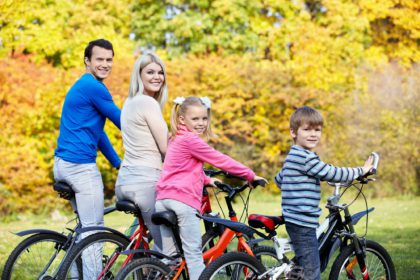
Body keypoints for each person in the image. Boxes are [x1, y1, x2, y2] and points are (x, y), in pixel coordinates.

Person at [155, 96, 267, 280]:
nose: (201, 123)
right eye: (195, 119)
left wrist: (207, 180)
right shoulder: (191, 140)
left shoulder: (175, 138)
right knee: (193, 255)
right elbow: (220, 160)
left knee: (171, 259)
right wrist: (250, 175)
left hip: (162, 201)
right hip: (182, 202)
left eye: (204, 118)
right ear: (182, 119)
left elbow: (182, 168)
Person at [274, 106, 373, 280]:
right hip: (303, 222)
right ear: (293, 132)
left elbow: (279, 179)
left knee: (303, 263)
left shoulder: (293, 155)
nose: (313, 134)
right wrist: (361, 171)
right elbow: (332, 172)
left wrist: (302, 181)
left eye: (317, 130)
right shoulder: (306, 157)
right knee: (312, 272)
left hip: (295, 219)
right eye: (307, 129)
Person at [53, 39, 121, 278]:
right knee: (95, 233)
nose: (105, 64)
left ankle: (74, 276)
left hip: (62, 165)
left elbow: (98, 132)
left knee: (84, 229)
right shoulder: (95, 87)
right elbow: (121, 120)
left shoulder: (83, 86)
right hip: (80, 168)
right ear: (87, 62)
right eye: (99, 59)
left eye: (109, 59)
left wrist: (117, 163)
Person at [116, 53, 169, 251]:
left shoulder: (129, 102)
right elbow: (166, 149)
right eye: (150, 72)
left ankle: (145, 268)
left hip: (126, 181)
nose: (157, 76)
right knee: (171, 250)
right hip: (145, 182)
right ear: (139, 75)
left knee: (150, 239)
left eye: (160, 72)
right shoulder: (148, 103)